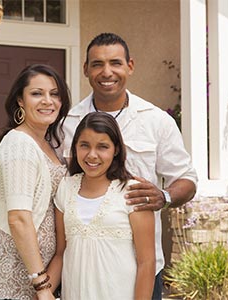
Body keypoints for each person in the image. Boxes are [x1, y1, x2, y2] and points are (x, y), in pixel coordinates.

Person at [59, 32, 198, 299]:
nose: (106, 72)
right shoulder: (68, 122)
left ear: (130, 66)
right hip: (83, 269)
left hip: (144, 266)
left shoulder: (156, 121)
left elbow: (187, 179)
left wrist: (164, 196)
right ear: (86, 69)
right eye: (97, 64)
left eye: (115, 63)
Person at [0, 64, 71, 300]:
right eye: (36, 93)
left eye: (54, 94)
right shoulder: (19, 144)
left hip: (41, 276)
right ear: (20, 101)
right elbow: (19, 218)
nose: (47, 101)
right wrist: (42, 286)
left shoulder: (49, 144)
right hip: (17, 279)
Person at [50, 112, 155, 299]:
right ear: (75, 147)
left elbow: (146, 263)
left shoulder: (133, 192)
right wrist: (43, 291)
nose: (92, 155)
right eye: (84, 145)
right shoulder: (65, 188)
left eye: (102, 147)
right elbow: (60, 253)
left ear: (115, 150)